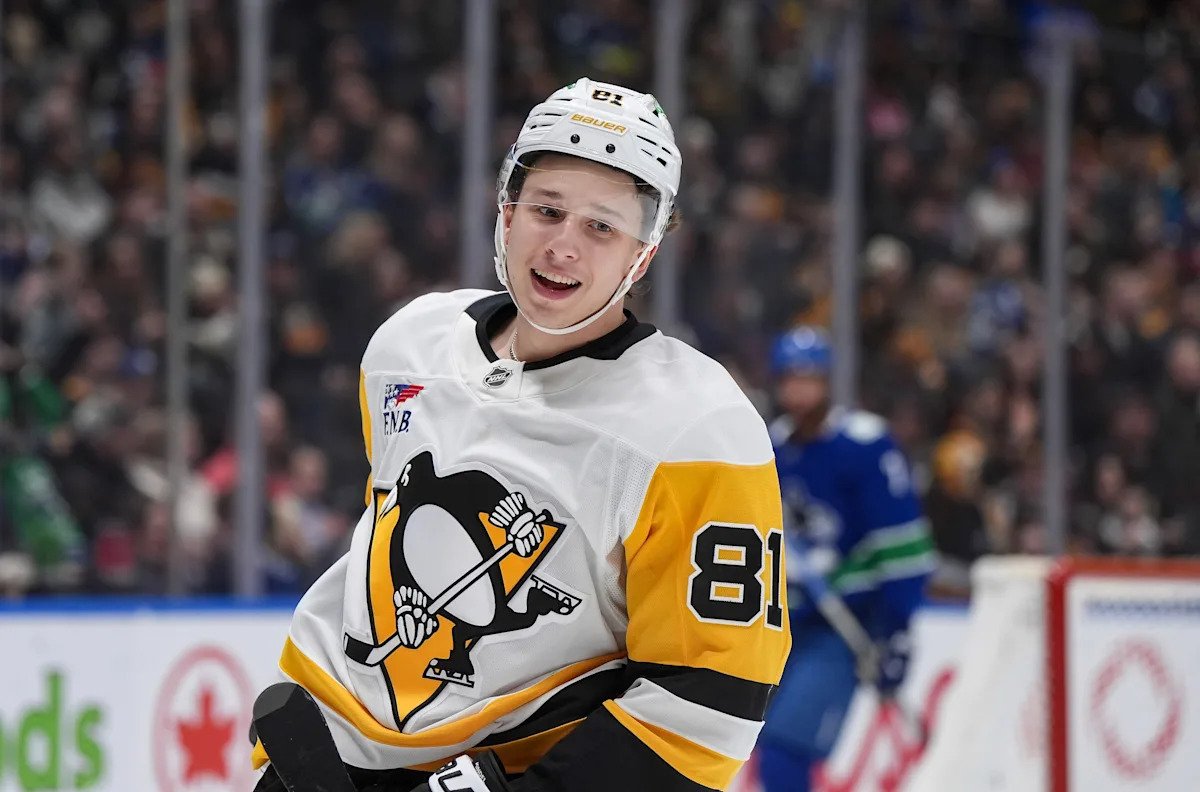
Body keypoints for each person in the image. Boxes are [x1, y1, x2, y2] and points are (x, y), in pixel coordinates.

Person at [252, 78, 791, 792]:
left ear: (643, 254)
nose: (563, 246)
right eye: (547, 210)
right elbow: (386, 537)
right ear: (507, 212)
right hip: (324, 758)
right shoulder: (411, 344)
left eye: (601, 227)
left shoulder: (698, 427)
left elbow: (712, 701)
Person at [756, 327, 934, 792]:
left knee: (784, 753)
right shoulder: (769, 447)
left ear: (828, 382)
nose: (799, 390)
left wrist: (896, 629)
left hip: (841, 627)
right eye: (791, 378)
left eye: (810, 378)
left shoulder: (863, 446)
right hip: (778, 626)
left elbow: (902, 548)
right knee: (758, 750)